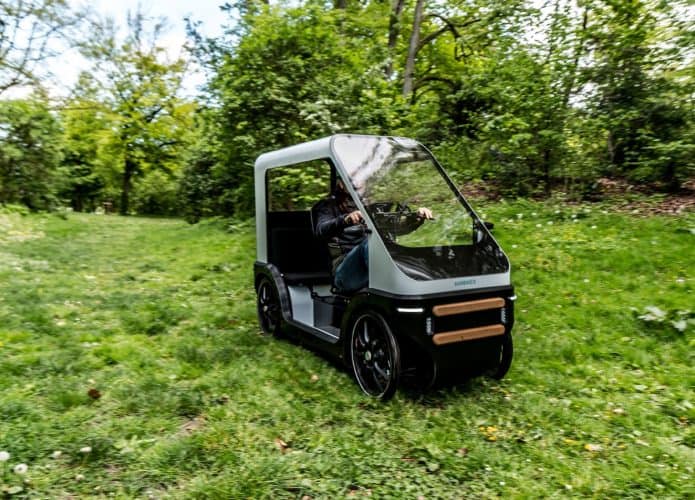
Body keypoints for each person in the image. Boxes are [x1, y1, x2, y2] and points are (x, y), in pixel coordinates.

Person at [314, 179, 433, 293]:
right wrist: (345, 219)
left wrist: (416, 218)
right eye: (352, 179)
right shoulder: (327, 205)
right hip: (345, 274)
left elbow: (394, 228)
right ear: (341, 183)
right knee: (373, 242)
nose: (358, 182)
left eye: (361, 178)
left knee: (396, 246)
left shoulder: (370, 203)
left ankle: (425, 283)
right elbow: (321, 229)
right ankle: (401, 285)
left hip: (372, 268)